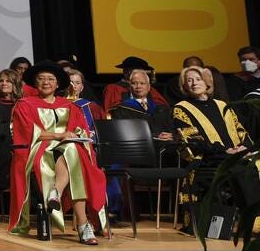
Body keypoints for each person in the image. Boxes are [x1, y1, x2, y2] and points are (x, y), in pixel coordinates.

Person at [8, 62, 107, 245]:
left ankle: (56, 191)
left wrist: (75, 135)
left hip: (66, 149)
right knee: (73, 155)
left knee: (71, 149)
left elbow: (81, 129)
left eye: (51, 79)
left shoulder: (69, 105)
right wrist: (58, 135)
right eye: (41, 79)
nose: (46, 82)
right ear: (35, 83)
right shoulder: (25, 104)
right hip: (38, 149)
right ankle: (83, 226)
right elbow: (28, 132)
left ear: (57, 83)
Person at [173, 66, 260, 218]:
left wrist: (244, 147)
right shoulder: (181, 109)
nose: (194, 83)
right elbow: (193, 141)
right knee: (242, 169)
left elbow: (240, 130)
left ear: (207, 82)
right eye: (189, 80)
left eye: (198, 79)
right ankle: (253, 218)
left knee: (254, 164)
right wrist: (224, 151)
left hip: (235, 154)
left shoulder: (222, 105)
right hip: (208, 157)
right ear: (184, 86)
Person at [103, 56, 168, 112]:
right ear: (126, 72)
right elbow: (112, 111)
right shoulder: (114, 88)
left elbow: (163, 106)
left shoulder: (149, 89)